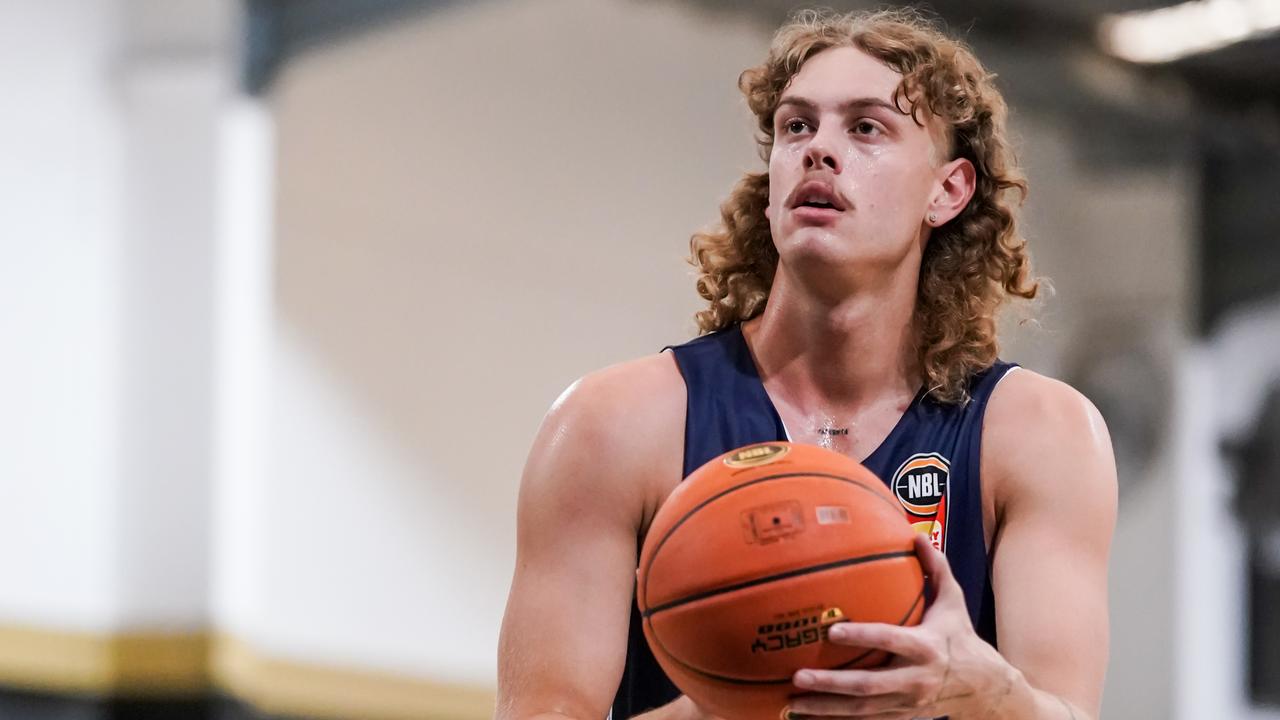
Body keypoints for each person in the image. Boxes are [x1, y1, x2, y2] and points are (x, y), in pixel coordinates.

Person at [496, 8, 1117, 720]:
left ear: (947, 190)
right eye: (797, 126)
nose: (820, 150)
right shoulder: (612, 425)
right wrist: (743, 689)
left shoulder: (1041, 433)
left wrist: (986, 689)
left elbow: (1069, 709)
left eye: (866, 127)